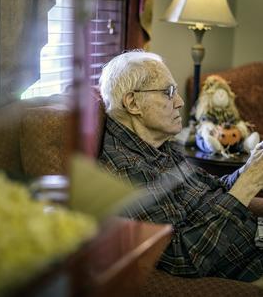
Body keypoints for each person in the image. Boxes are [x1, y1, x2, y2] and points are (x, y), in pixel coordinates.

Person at [98, 50, 263, 282]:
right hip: (246, 266)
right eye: (169, 92)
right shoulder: (126, 171)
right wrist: (247, 185)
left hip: (252, 237)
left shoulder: (160, 144)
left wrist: (251, 167)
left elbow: (214, 189)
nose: (180, 102)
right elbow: (182, 257)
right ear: (133, 102)